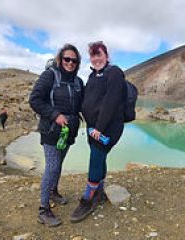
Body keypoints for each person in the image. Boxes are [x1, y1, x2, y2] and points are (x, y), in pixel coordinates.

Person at [71, 41, 127, 222]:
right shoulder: (93, 75)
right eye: (93, 55)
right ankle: (99, 192)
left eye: (99, 55)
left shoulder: (115, 73)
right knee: (99, 156)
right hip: (92, 127)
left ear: (107, 56)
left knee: (95, 157)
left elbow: (111, 102)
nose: (96, 59)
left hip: (107, 128)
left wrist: (99, 128)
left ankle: (88, 199)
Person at [29, 43, 84, 227]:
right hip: (51, 131)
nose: (70, 63)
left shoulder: (78, 82)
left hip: (68, 133)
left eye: (74, 60)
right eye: (67, 59)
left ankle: (53, 191)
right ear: (60, 59)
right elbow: (35, 100)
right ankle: (43, 209)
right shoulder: (50, 75)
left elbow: (84, 105)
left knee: (58, 164)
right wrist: (55, 115)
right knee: (52, 167)